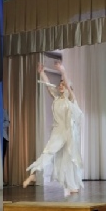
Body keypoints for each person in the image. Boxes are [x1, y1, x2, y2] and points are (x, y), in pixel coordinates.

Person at [22, 62, 83, 198]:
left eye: (63, 84)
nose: (61, 86)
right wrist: (42, 73)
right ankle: (34, 173)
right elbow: (49, 86)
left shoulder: (71, 99)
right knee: (48, 152)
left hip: (69, 133)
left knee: (69, 158)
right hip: (58, 132)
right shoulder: (56, 98)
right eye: (60, 84)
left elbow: (68, 86)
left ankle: (72, 185)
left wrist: (63, 71)